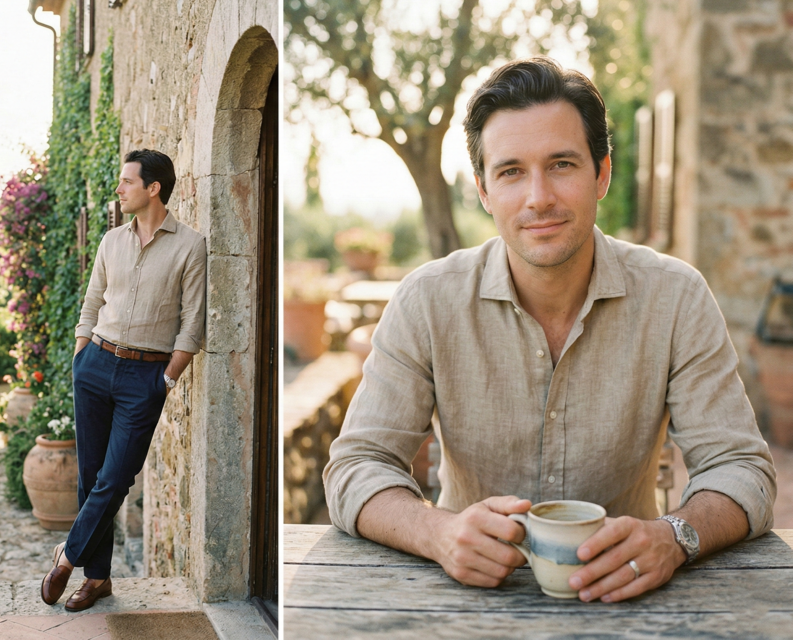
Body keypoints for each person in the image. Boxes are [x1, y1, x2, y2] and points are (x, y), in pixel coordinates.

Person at [323, 57, 776, 604]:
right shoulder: (426, 301)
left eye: (561, 164)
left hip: (631, 600)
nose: (539, 197)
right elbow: (356, 466)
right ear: (485, 191)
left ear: (602, 173)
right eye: (511, 171)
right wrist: (437, 532)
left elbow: (740, 467)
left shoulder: (676, 297)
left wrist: (672, 538)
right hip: (466, 600)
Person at [42, 149, 206, 611]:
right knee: (90, 476)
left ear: (153, 188)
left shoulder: (190, 246)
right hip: (95, 363)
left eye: (127, 182)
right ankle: (97, 580)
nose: (119, 188)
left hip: (145, 376)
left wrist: (166, 380)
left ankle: (67, 555)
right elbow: (92, 300)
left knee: (116, 477)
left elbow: (192, 324)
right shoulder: (111, 240)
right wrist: (81, 354)